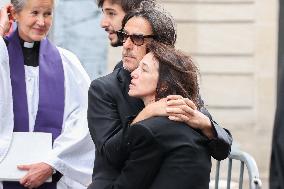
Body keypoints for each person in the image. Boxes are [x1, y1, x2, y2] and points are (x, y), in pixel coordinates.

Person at [88, 2, 232, 189]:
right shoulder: (104, 88)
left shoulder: (178, 87)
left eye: (137, 38)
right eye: (124, 36)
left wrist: (204, 123)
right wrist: (146, 114)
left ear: (161, 46)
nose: (127, 46)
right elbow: (110, 155)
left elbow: (221, 150)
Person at [0, 1, 95, 189]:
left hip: (52, 178)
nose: (41, 21)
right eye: (34, 12)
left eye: (48, 14)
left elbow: (84, 120)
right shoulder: (2, 59)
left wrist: (52, 163)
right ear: (14, 14)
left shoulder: (67, 63)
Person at [106, 40, 212, 189]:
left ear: (164, 85)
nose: (134, 73)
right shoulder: (185, 126)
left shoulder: (151, 130)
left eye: (144, 69)